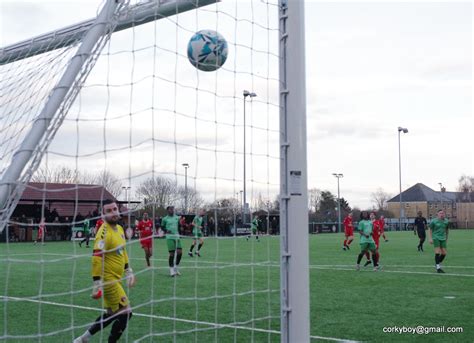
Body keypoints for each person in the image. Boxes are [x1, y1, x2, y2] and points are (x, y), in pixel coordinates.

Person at [73, 200, 136, 343]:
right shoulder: (103, 232)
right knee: (126, 313)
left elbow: (122, 251)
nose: (113, 212)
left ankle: (83, 339)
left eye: (115, 209)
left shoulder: (119, 228)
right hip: (108, 280)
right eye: (109, 210)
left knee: (111, 313)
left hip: (117, 278)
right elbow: (96, 257)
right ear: (103, 214)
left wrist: (128, 271)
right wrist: (97, 282)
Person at [161, 206, 182, 277]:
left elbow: (179, 226)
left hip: (177, 237)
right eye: (170, 209)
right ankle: (171, 270)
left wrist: (181, 227)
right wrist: (166, 230)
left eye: (173, 209)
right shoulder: (164, 219)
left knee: (180, 252)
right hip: (169, 237)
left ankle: (176, 267)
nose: (172, 210)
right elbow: (162, 227)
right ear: (167, 210)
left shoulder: (177, 217)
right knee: (172, 254)